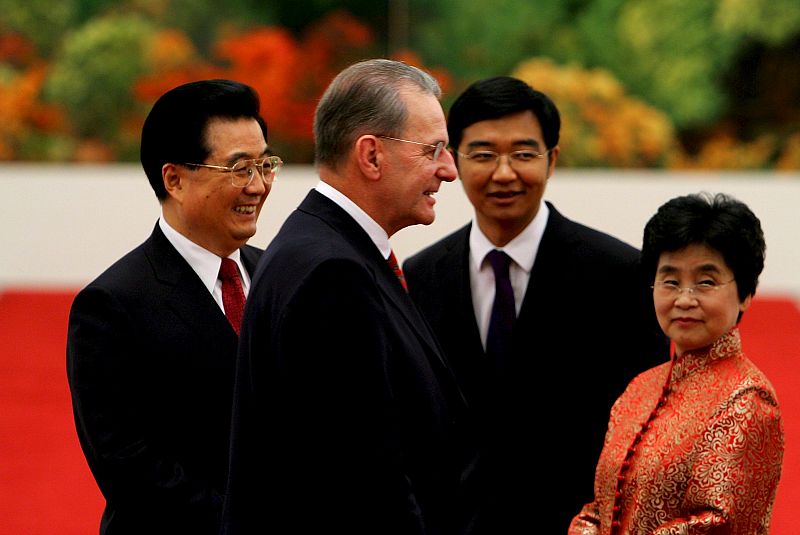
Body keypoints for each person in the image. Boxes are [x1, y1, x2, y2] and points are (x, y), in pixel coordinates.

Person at [220, 59, 477, 535]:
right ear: (371, 156)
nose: (448, 170)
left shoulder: (326, 249)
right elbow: (364, 483)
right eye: (434, 149)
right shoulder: (331, 272)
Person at [402, 76, 669, 532]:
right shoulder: (421, 275)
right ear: (453, 161)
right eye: (484, 155)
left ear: (552, 160)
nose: (504, 173)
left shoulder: (620, 274)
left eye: (523, 154)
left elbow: (649, 429)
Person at [66, 79, 280, 535]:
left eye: (266, 165)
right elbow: (128, 465)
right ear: (175, 179)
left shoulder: (279, 277)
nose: (258, 186)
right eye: (240, 168)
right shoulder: (112, 305)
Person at [569, 192, 784, 534]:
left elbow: (717, 524)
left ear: (745, 294)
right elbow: (600, 506)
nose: (685, 299)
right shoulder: (640, 388)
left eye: (706, 282)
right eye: (671, 281)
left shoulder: (748, 399)